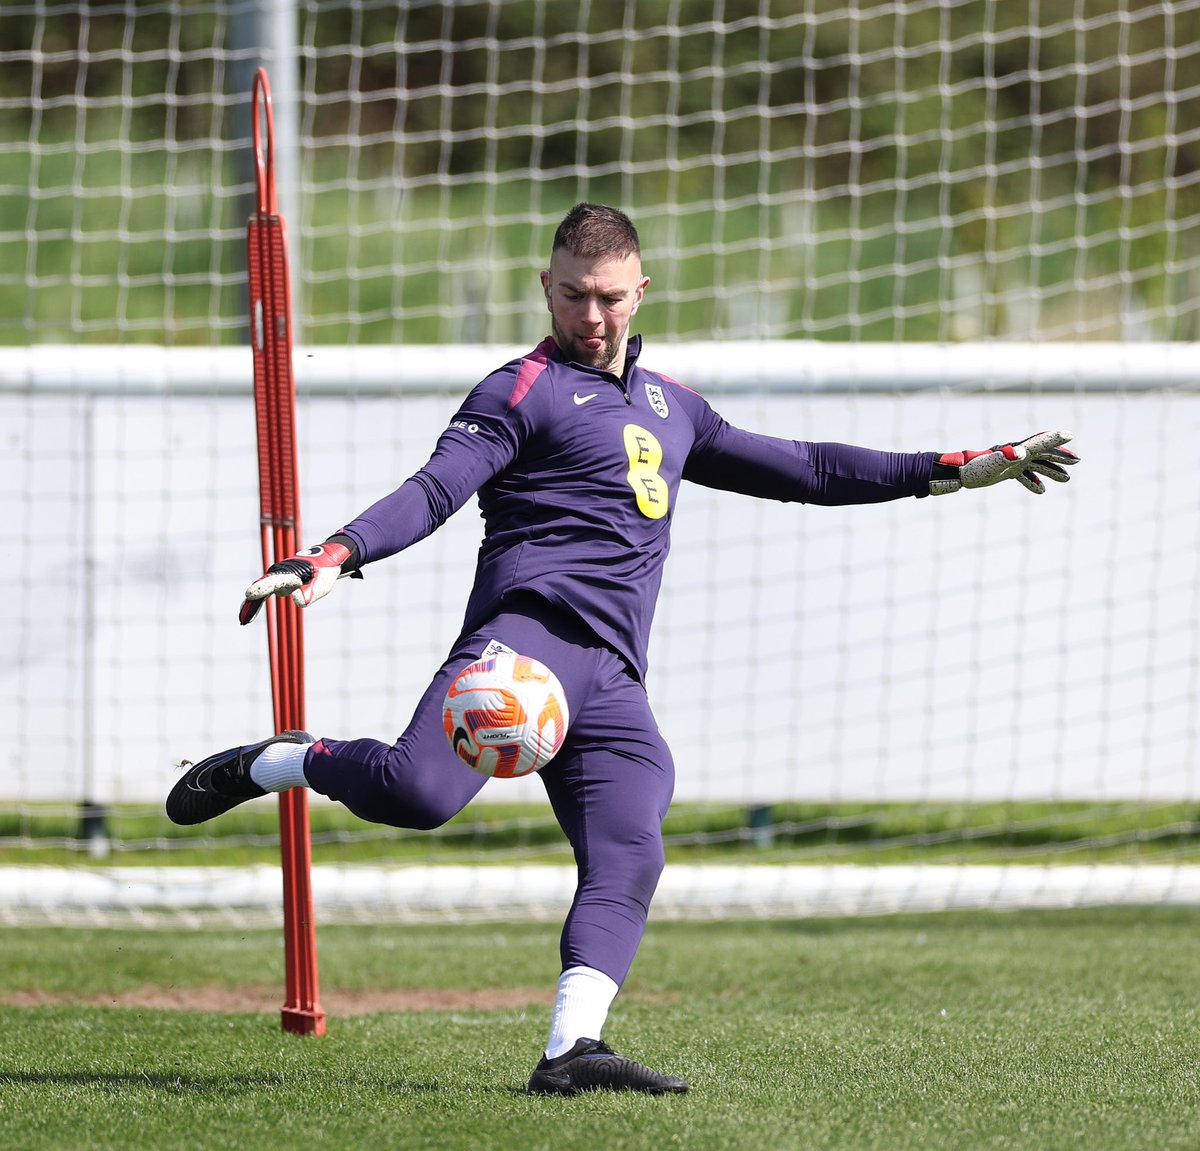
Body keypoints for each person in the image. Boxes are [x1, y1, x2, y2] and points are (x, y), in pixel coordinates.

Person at [168, 202, 1078, 1096]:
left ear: (641, 291)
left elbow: (807, 469)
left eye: (606, 297)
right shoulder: (517, 390)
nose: (589, 317)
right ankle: (277, 760)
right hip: (522, 644)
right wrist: (339, 550)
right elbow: (437, 487)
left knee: (633, 850)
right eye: (571, 297)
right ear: (545, 289)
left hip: (611, 677)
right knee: (416, 796)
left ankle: (572, 1049)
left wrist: (955, 469)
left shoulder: (673, 406)